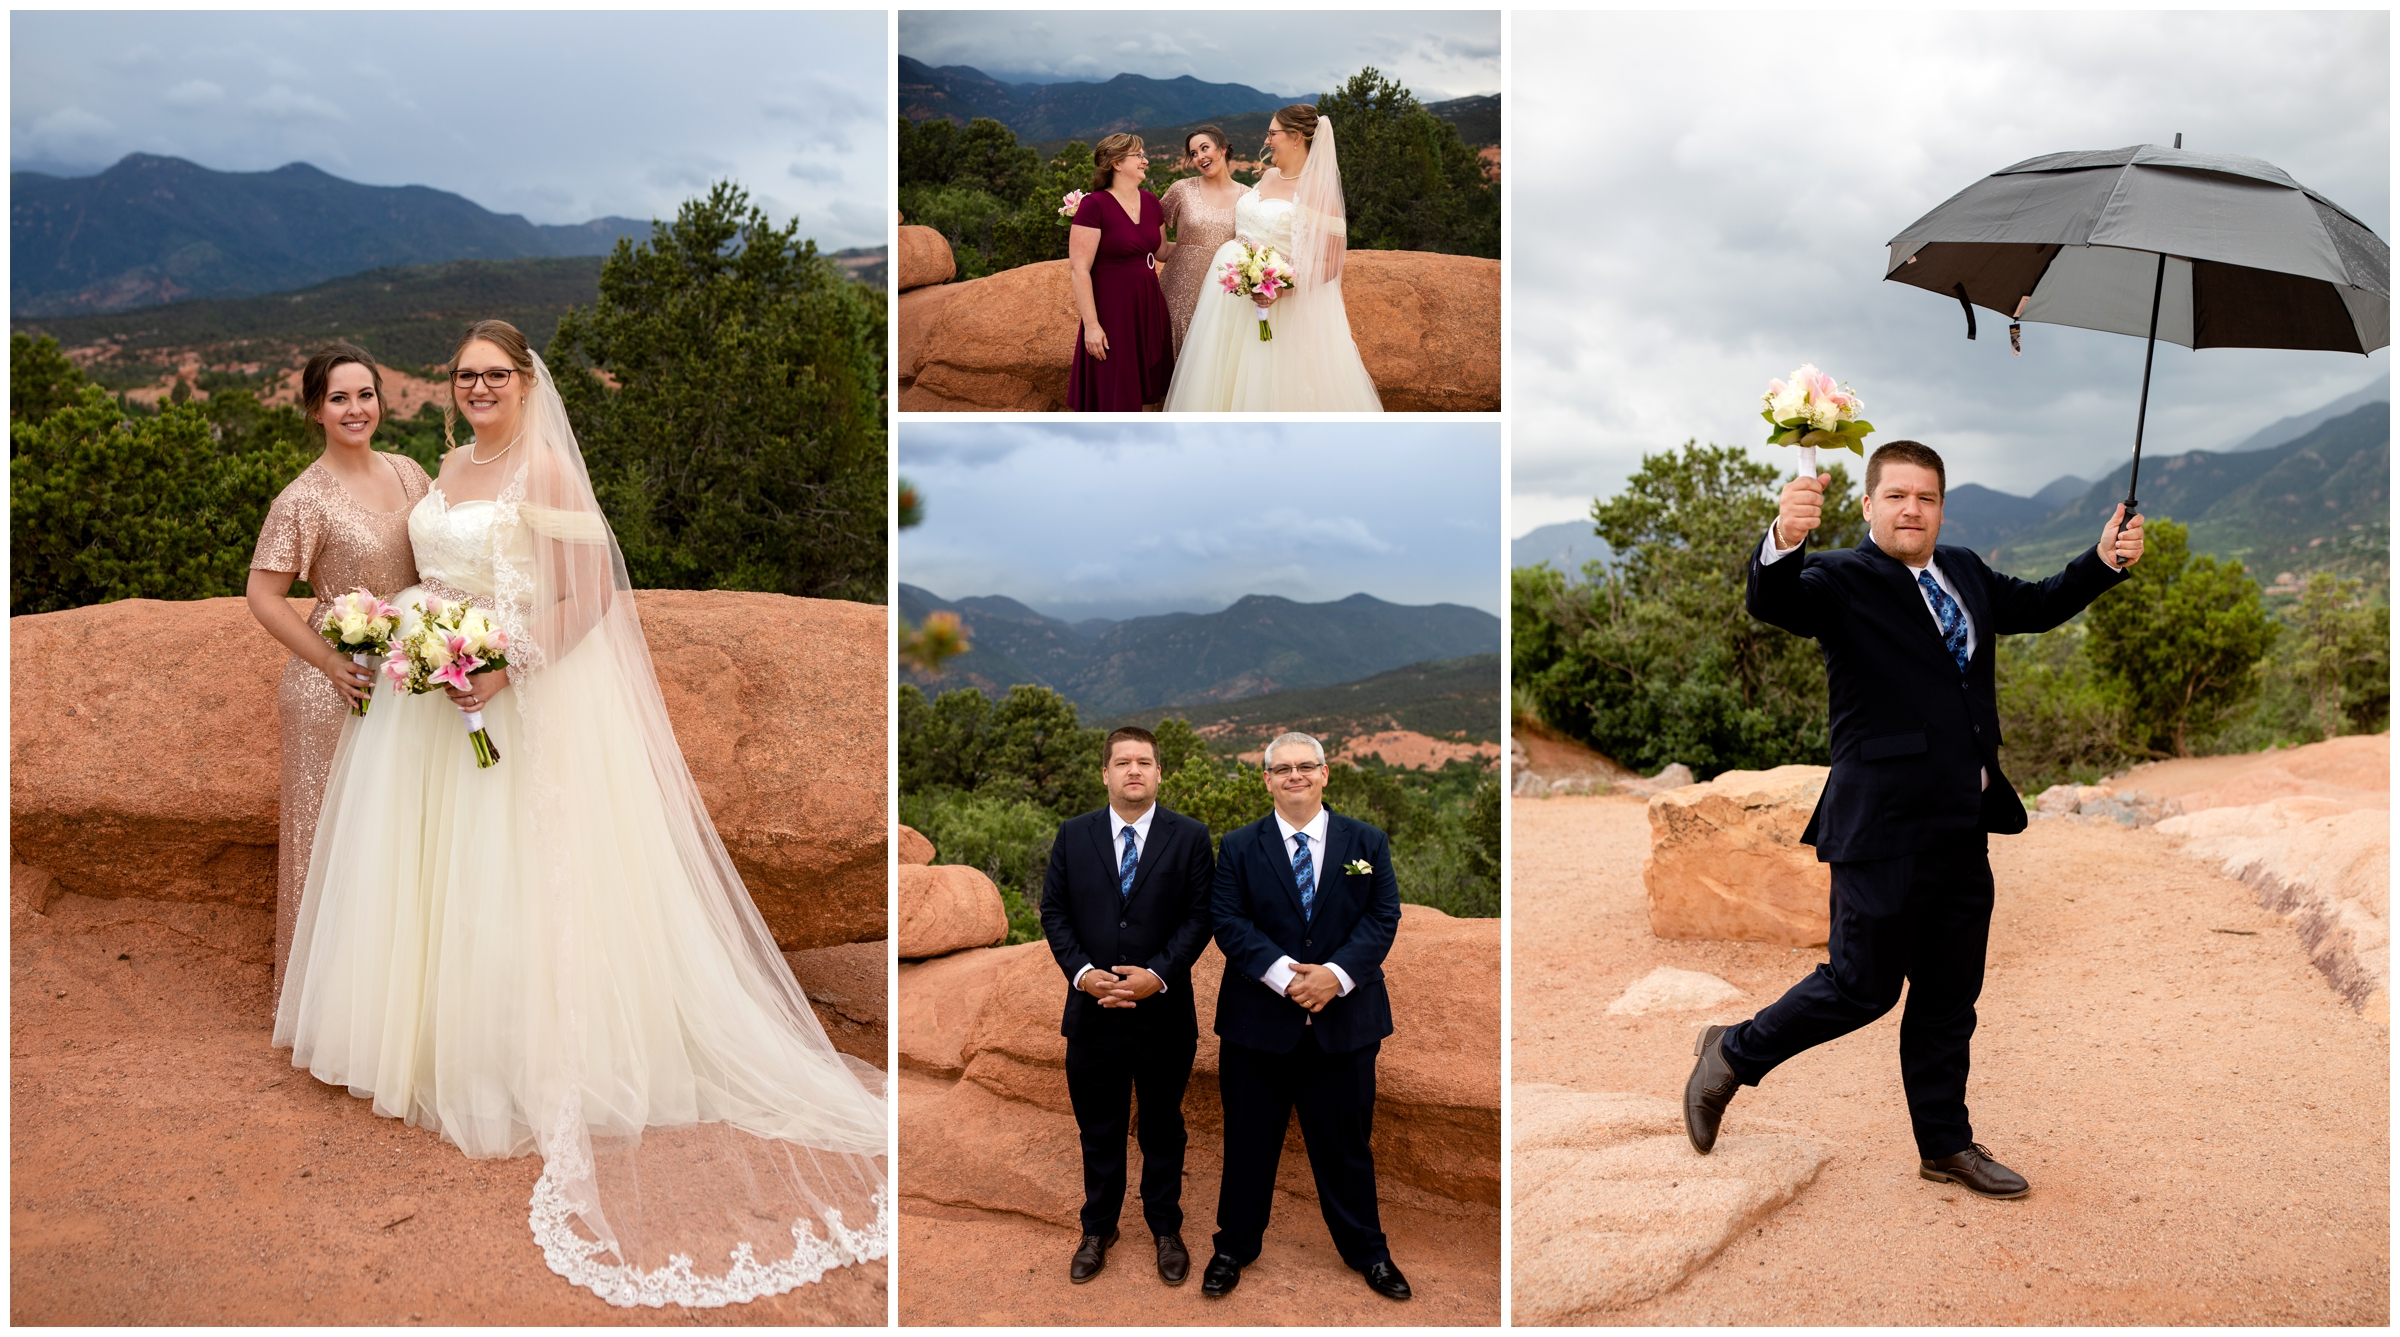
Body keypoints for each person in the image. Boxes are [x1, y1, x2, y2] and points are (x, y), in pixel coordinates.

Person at [274, 320, 887, 1308]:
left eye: (494, 375)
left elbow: (593, 587)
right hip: (429, 698)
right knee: (436, 874)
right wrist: (420, 638)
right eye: (465, 375)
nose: (478, 388)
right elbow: (435, 566)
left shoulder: (547, 470)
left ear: (524, 381)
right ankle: (428, 1043)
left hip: (514, 692)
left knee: (516, 870)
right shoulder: (450, 461)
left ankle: (518, 1057)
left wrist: (502, 663)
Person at [1683, 439, 2146, 1200]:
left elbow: (2034, 603)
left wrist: (2101, 559)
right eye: (1896, 495)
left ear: (1940, 506)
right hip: (1881, 823)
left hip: (1963, 819)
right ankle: (1732, 1053)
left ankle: (1946, 1145)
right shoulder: (1837, 577)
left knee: (1948, 994)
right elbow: (1772, 599)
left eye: (1925, 497)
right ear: (1868, 505)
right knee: (1861, 986)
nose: (1912, 509)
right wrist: (1784, 540)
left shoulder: (1961, 568)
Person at [245, 341, 433, 995]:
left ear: (381, 399)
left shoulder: (412, 475)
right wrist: (327, 661)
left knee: (398, 830)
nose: (356, 409)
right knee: (331, 838)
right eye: (338, 398)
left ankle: (389, 1003)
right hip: (337, 686)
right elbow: (262, 595)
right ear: (314, 411)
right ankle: (322, 1001)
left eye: (365, 394)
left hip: (407, 676)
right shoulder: (302, 498)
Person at [1201, 732, 1409, 1302]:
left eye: (1305, 766)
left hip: (1344, 1026)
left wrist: (1335, 978)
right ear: (1266, 779)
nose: (1295, 775)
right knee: (1248, 1141)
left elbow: (1382, 917)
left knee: (1347, 1146)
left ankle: (1368, 1251)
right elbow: (1228, 919)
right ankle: (1232, 1249)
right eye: (1282, 768)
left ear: (1325, 774)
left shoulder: (1368, 841)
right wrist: (1286, 977)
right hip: (1257, 1025)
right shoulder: (1239, 846)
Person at [1037, 726, 1216, 1287]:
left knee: (1164, 1127)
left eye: (1144, 762)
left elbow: (1200, 916)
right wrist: (1086, 975)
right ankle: (1098, 1229)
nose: (1134, 770)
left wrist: (1157, 975)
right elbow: (1054, 912)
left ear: (1160, 773)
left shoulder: (1189, 836)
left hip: (1163, 1013)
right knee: (1100, 1128)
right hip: (1092, 1012)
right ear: (1106, 774)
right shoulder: (1073, 834)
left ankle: (1166, 1228)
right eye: (1123, 762)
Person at [1163, 104, 1383, 413]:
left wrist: (1280, 288)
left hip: (1277, 305)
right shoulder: (1267, 176)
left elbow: (1331, 263)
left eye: (1272, 134)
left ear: (1295, 137)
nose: (1267, 141)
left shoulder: (1318, 191)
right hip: (1229, 300)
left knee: (1265, 384)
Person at [1067, 133, 1175, 411]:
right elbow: (1079, 269)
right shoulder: (1094, 205)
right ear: (1116, 163)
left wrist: (1208, 246)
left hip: (1149, 305)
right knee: (1116, 391)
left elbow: (1161, 251)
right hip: (1113, 311)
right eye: (1138, 155)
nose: (1145, 160)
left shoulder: (1151, 202)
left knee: (1148, 391)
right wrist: (1092, 325)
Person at [1154, 127, 1246, 355]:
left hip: (1222, 296)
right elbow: (1154, 218)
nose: (1199, 157)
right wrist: (1169, 249)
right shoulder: (1182, 189)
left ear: (1223, 149)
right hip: (1177, 291)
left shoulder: (1248, 197)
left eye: (1204, 148)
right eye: (1193, 153)